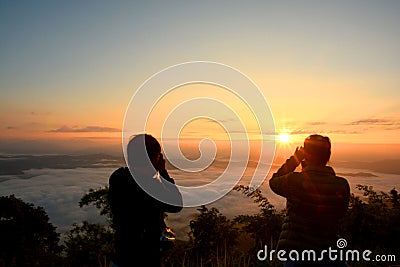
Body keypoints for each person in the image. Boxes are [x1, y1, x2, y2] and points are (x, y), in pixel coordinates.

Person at [269, 134, 350, 267]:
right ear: (328, 156)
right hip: (329, 253)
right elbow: (341, 213)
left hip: (298, 254)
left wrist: (295, 160)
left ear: (306, 155)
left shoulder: (295, 181)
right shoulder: (341, 185)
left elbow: (274, 182)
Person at [109, 134, 183, 267]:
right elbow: (176, 204)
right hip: (146, 259)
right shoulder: (148, 186)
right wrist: (163, 172)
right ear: (155, 158)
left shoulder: (118, 177)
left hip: (121, 256)